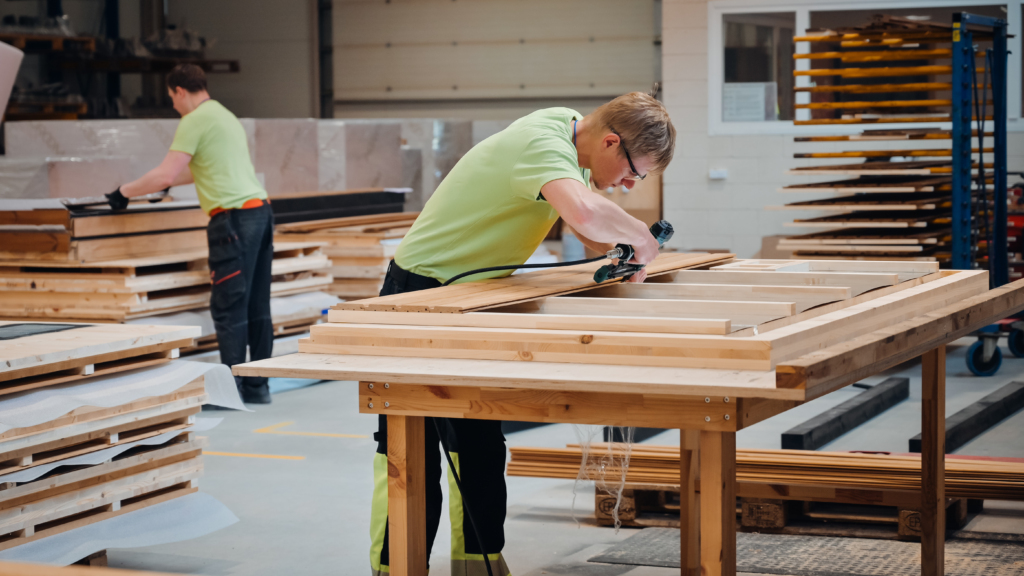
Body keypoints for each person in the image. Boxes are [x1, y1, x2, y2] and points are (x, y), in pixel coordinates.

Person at [369, 91, 676, 576]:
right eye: (633, 172)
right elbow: (586, 214)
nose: (627, 184)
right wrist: (639, 234)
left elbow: (587, 229)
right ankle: (395, 569)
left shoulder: (572, 142)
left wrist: (624, 249)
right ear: (611, 142)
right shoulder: (542, 142)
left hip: (471, 299)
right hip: (418, 295)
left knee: (479, 445)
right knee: (410, 453)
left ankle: (478, 566)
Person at [105, 64, 274, 405]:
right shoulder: (225, 116)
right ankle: (258, 389)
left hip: (232, 220)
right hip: (260, 212)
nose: (172, 105)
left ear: (181, 91)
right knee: (257, 305)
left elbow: (166, 173)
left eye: (171, 97)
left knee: (229, 306)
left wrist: (124, 192)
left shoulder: (194, 120)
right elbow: (200, 169)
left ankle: (230, 393)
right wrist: (157, 187)